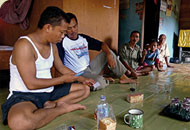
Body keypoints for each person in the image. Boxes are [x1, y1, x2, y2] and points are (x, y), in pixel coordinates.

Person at [1, 6, 95, 130]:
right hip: (26, 95)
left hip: (49, 91)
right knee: (20, 122)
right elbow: (31, 84)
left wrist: (82, 79)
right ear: (48, 27)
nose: (63, 36)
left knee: (84, 89)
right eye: (61, 32)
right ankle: (60, 108)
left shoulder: (52, 45)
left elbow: (61, 68)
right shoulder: (24, 45)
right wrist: (62, 80)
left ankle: (51, 105)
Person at [57, 12, 136, 91]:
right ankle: (97, 81)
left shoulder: (83, 38)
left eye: (74, 26)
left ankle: (123, 77)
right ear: (65, 29)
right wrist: (75, 77)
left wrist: (108, 55)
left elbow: (102, 44)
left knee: (109, 52)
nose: (73, 30)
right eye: (69, 28)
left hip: (89, 69)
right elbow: (61, 67)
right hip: (77, 74)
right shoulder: (62, 42)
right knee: (100, 82)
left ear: (77, 25)